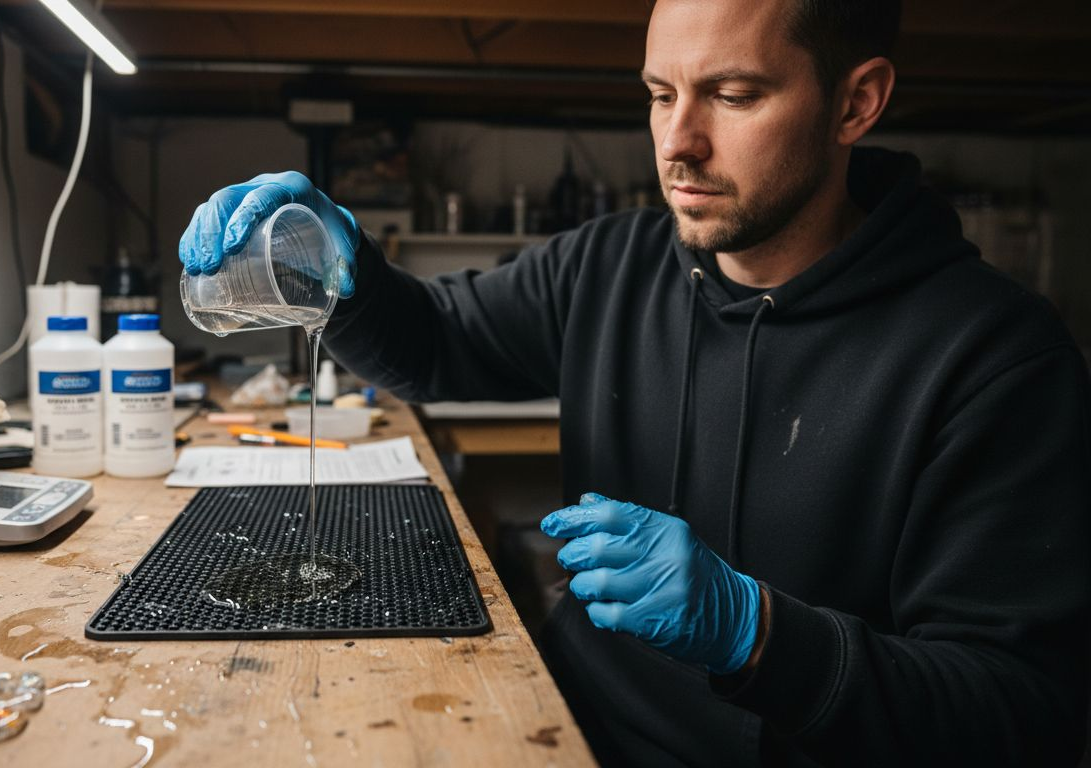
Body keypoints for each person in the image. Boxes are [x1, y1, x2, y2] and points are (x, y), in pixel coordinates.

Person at [178, 0, 1091, 763]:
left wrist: (763, 634)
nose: (679, 143)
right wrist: (341, 271)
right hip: (568, 730)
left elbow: (1022, 715)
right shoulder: (611, 263)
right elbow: (436, 344)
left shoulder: (996, 360)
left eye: (734, 95)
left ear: (857, 103)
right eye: (660, 94)